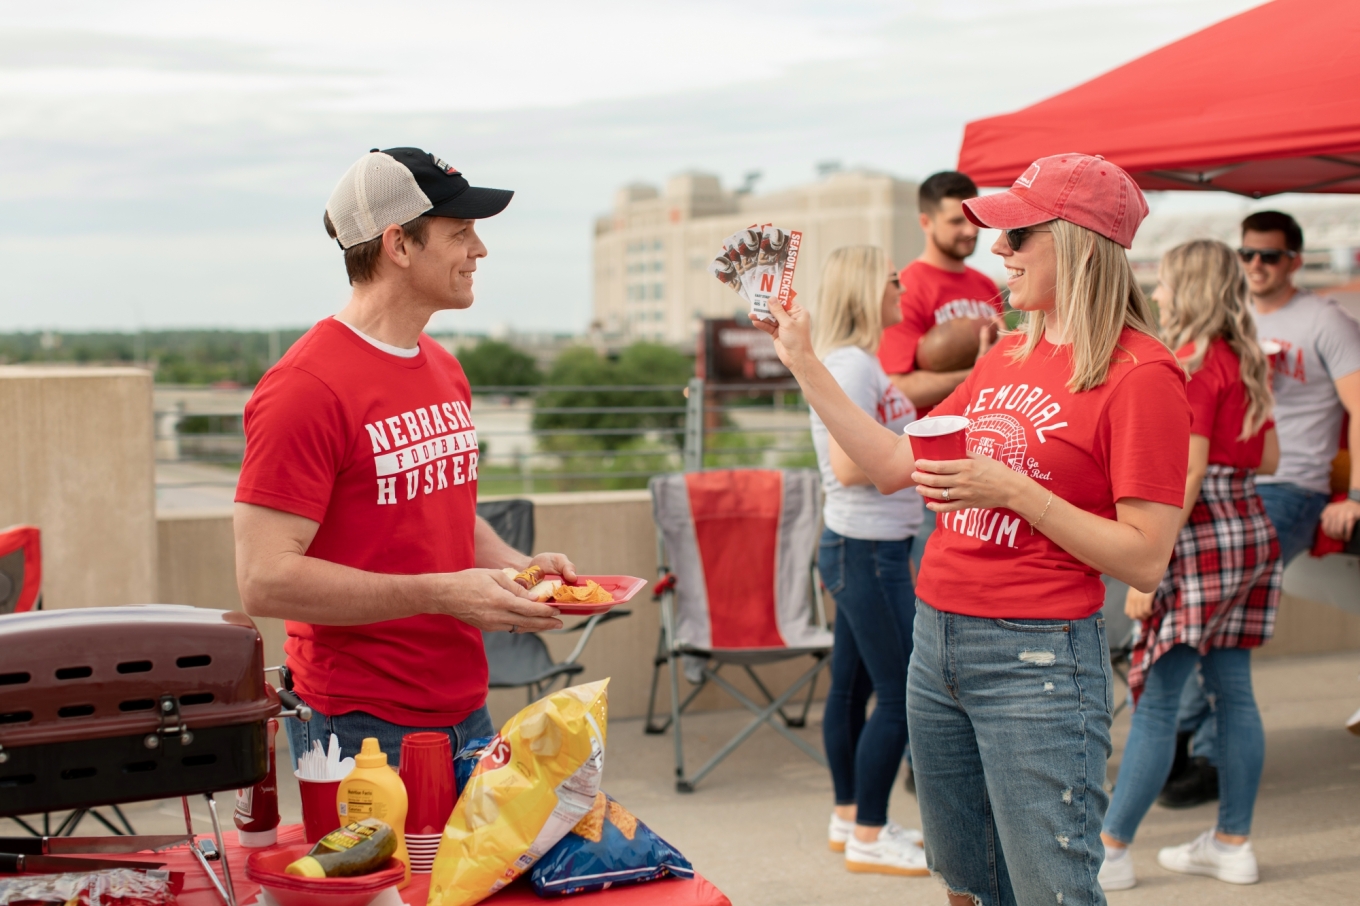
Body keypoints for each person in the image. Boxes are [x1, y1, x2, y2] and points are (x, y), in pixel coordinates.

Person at [753, 153, 1191, 906]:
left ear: (1078, 242)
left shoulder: (1142, 373)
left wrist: (1014, 491)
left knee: (1051, 889)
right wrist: (802, 361)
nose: (999, 250)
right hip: (938, 637)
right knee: (967, 884)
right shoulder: (1010, 354)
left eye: (1018, 235)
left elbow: (1147, 559)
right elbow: (894, 463)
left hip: (1037, 659)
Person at [233, 147, 574, 765]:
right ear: (399, 244)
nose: (480, 250)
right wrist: (443, 594)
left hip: (466, 706)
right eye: (461, 232)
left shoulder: (443, 366)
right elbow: (264, 579)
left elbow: (441, 515)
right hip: (359, 724)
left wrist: (523, 573)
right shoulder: (305, 388)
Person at [1099, 240, 1282, 891]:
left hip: (1197, 536)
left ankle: (1111, 850)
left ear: (1192, 287)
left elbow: (1192, 469)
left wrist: (1150, 567)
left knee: (1156, 697)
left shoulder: (1193, 365)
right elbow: (1270, 460)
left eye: (1169, 282)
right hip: (1249, 528)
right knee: (1233, 693)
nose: (1161, 292)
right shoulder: (1246, 360)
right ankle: (1233, 841)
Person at [1162, 210, 1360, 804]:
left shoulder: (1324, 320)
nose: (1255, 265)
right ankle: (1185, 742)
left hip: (1290, 487)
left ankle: (1192, 746)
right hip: (1231, 480)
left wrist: (1353, 495)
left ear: (1294, 260)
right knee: (1208, 619)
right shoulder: (1230, 322)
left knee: (1215, 612)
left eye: (1269, 256)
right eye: (1246, 254)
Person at [808, 246, 927, 877]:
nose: (901, 287)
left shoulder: (857, 364)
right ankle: (871, 834)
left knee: (852, 687)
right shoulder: (851, 365)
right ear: (862, 291)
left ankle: (851, 815)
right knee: (904, 692)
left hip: (861, 547)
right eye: (890, 279)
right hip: (868, 551)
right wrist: (927, 445)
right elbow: (855, 466)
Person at [878, 171, 1004, 415]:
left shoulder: (987, 285)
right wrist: (976, 373)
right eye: (956, 221)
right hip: (934, 442)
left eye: (974, 218)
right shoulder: (904, 289)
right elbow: (897, 388)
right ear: (926, 222)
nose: (971, 230)